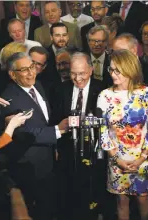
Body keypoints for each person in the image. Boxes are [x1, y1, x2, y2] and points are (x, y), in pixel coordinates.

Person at [97, 49, 148, 220]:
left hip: (143, 158)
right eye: (111, 69)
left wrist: (141, 158)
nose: (113, 74)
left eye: (117, 70)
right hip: (117, 159)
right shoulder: (104, 96)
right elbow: (103, 132)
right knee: (122, 202)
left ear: (130, 69)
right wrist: (116, 159)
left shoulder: (145, 93)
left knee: (144, 201)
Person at [1, 52, 69, 220]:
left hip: (48, 161)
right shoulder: (9, 99)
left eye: (32, 67)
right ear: (12, 74)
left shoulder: (37, 85)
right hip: (29, 166)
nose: (31, 73)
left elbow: (43, 120)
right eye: (24, 70)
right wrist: (58, 130)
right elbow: (23, 132)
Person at [50, 52, 104, 220]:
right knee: (68, 195)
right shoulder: (60, 89)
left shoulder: (102, 89)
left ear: (91, 70)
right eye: (74, 73)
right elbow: (53, 120)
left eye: (82, 73)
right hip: (67, 152)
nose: (77, 78)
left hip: (94, 153)